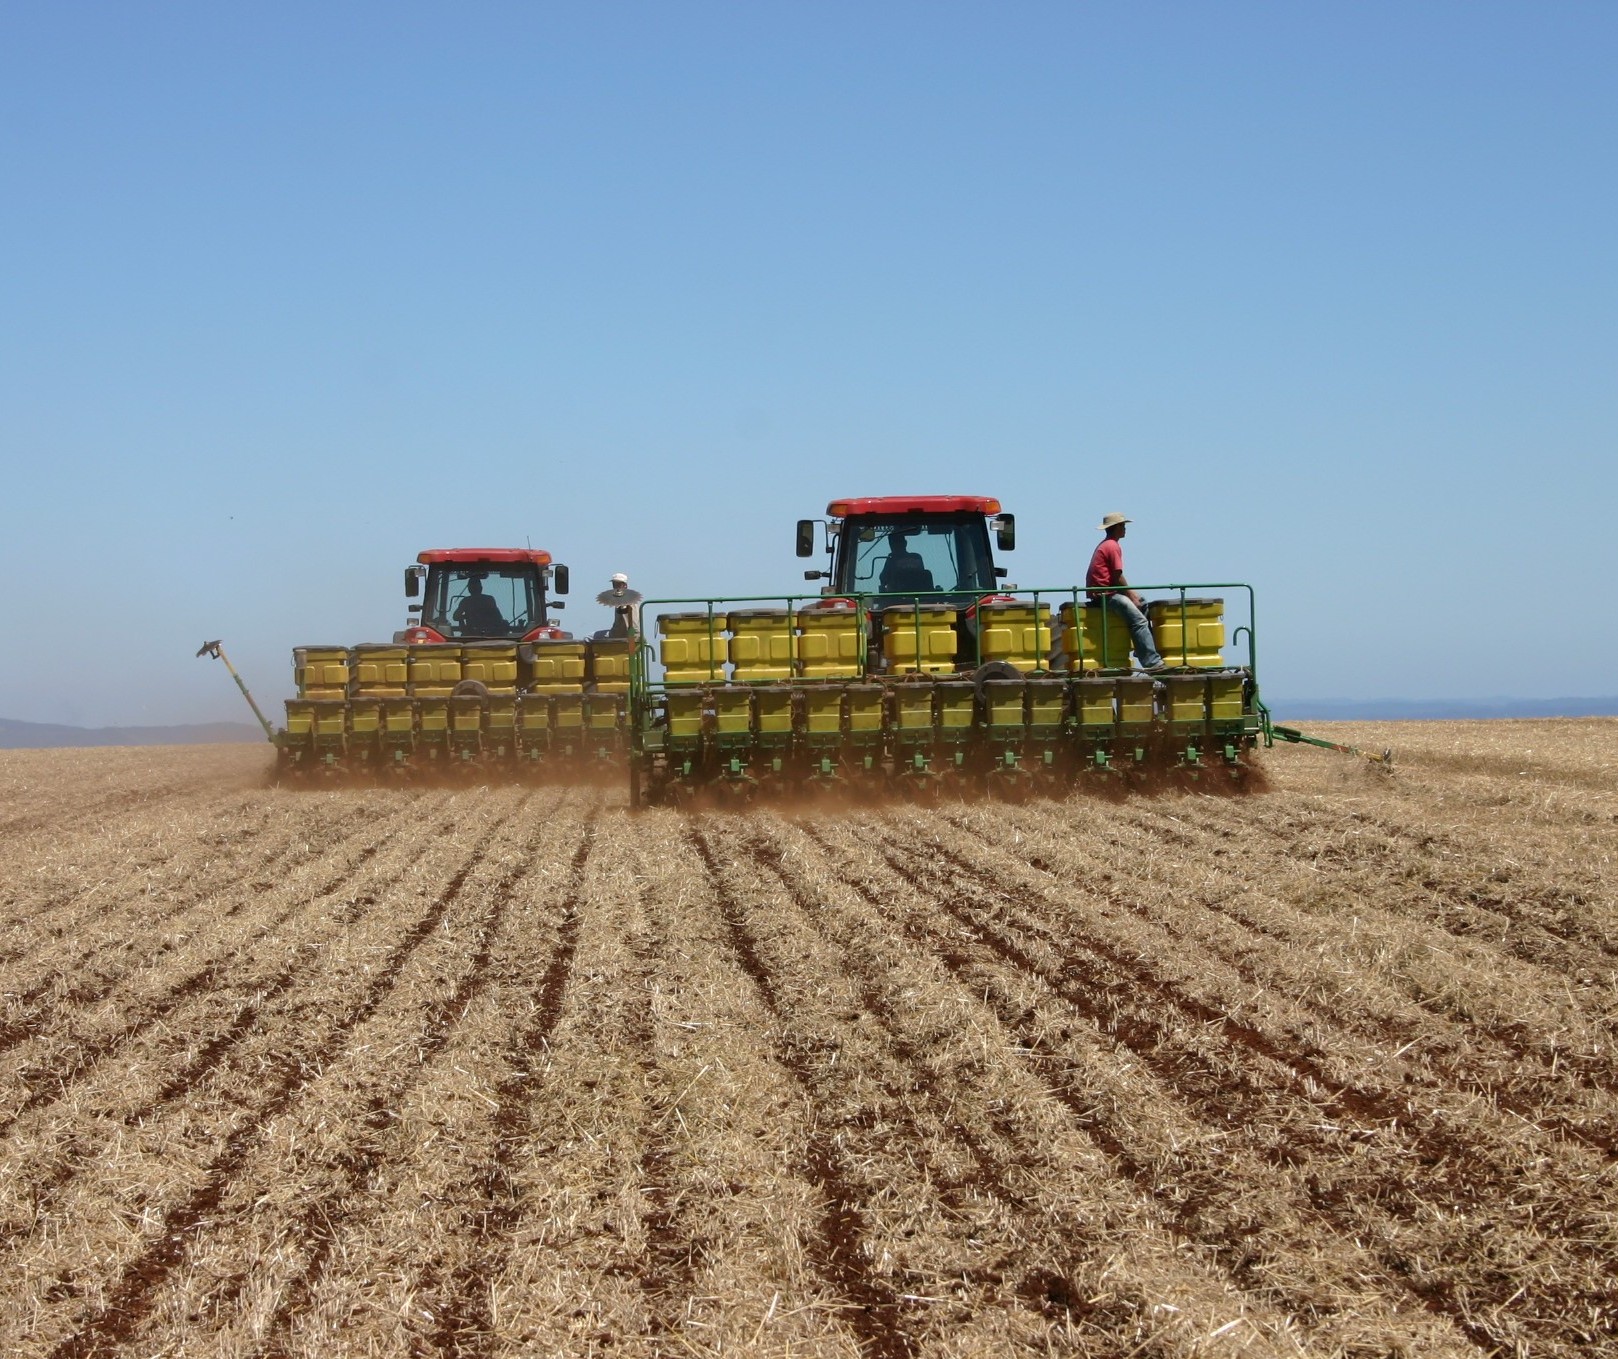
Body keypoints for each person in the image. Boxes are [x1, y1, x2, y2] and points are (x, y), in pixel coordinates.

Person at [1087, 513, 1166, 671]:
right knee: (1139, 621)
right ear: (1116, 528)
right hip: (1105, 595)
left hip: (1105, 591)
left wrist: (1134, 596)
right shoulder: (1112, 546)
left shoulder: (1106, 544)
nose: (1125, 529)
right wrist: (1130, 594)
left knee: (1143, 603)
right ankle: (1153, 663)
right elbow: (1117, 575)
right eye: (1123, 526)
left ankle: (1142, 648)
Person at [595, 571, 643, 637]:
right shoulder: (633, 599)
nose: (615, 587)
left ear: (625, 585)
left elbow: (626, 626)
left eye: (618, 584)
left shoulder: (623, 601)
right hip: (634, 634)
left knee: (588, 637)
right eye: (614, 584)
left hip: (620, 635)